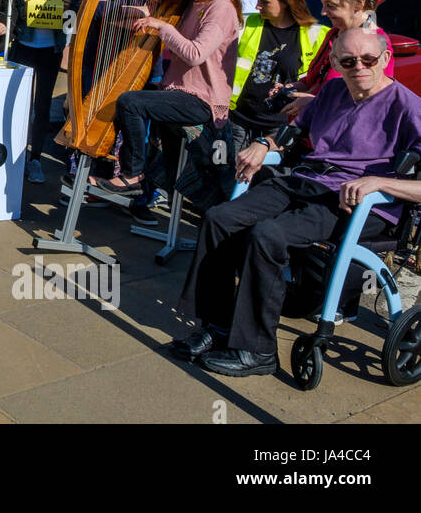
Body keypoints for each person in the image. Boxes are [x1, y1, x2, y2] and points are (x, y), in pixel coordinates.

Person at [176, 28, 421, 376]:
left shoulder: (407, 107)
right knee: (219, 218)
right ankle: (216, 326)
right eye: (349, 61)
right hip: (308, 180)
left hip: (361, 202)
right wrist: (265, 143)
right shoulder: (334, 91)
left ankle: (257, 351)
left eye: (368, 59)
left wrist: (379, 181)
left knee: (266, 236)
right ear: (336, 62)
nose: (359, 68)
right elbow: (292, 133)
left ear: (384, 59)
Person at [95, 0, 242, 199]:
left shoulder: (221, 7)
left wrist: (163, 27)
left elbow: (195, 54)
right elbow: (146, 18)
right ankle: (138, 184)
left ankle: (132, 175)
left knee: (130, 102)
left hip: (203, 100)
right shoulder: (191, 2)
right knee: (124, 97)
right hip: (178, 90)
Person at [229, 0, 328, 152]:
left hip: (281, 127)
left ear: (286, 2)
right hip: (239, 120)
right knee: (231, 174)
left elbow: (322, 82)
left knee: (271, 177)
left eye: (265, 2)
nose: (257, 6)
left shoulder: (317, 34)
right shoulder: (246, 23)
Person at [11, 0, 76, 183]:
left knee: (42, 106)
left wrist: (68, 9)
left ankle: (35, 158)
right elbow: (14, 15)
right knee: (20, 106)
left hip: (51, 49)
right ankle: (15, 155)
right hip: (24, 47)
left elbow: (71, 21)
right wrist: (22, 3)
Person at [286, 0, 393, 114]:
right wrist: (295, 87)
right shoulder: (334, 34)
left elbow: (371, 101)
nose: (323, 12)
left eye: (331, 6)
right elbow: (317, 80)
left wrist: (314, 103)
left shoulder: (375, 43)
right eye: (323, 5)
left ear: (359, 4)